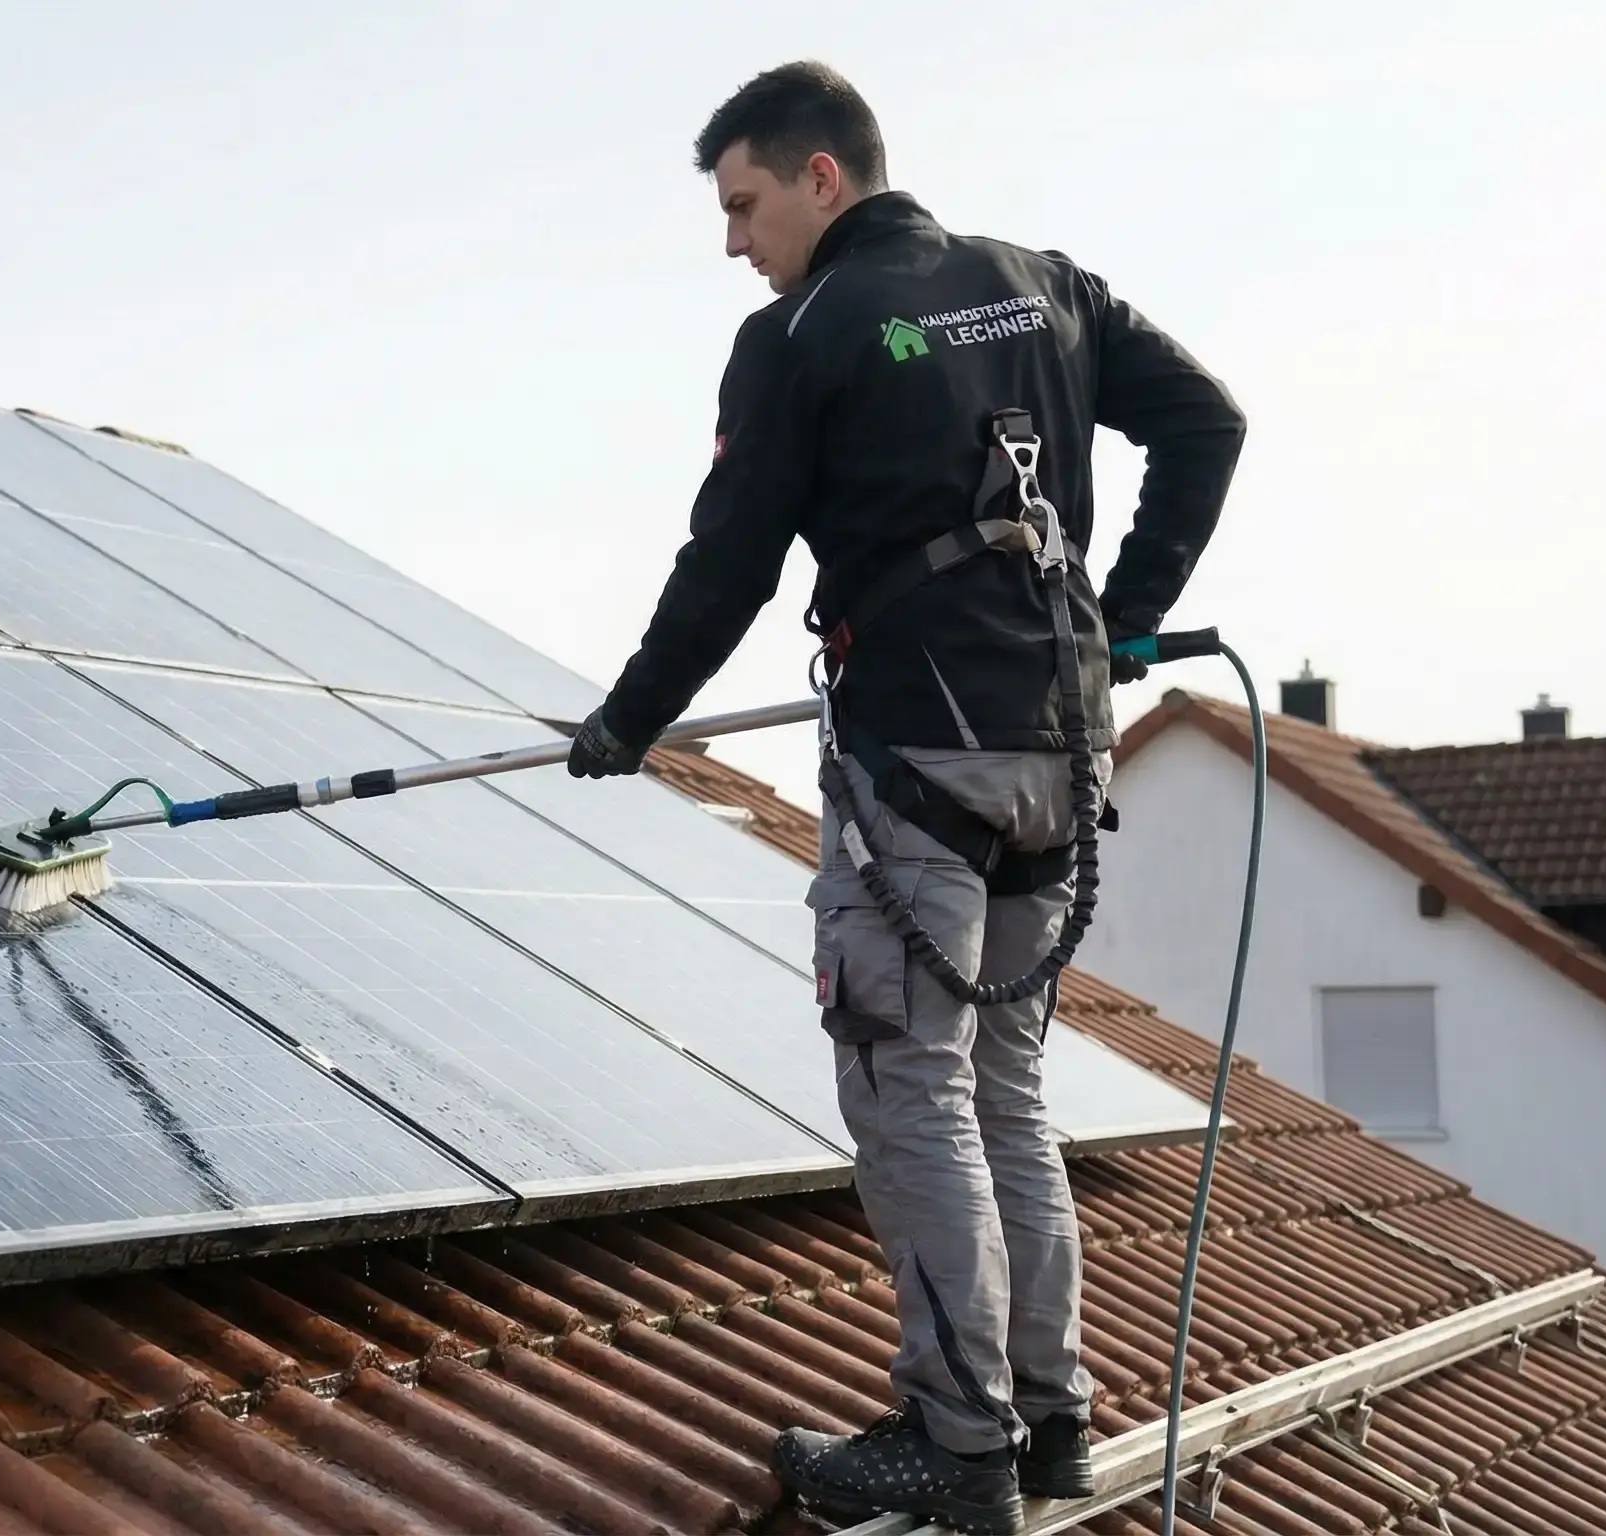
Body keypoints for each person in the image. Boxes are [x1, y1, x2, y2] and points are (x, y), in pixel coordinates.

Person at [567, 61, 1244, 1534]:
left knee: (907, 1091)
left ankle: (960, 1440)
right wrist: (1123, 618)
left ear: (824, 177)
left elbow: (731, 562)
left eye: (744, 205)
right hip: (1061, 760)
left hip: (921, 770)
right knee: (1004, 1092)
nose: (733, 242)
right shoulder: (1043, 284)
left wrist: (631, 718)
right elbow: (1209, 423)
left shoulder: (800, 335)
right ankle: (1047, 1422)